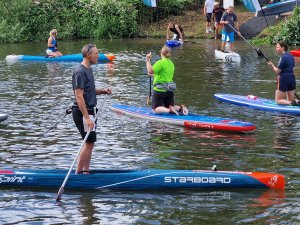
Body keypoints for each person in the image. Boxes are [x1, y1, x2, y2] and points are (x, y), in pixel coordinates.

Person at [72, 44, 112, 174]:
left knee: (91, 142)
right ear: (88, 55)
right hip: (83, 112)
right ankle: (78, 173)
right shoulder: (79, 71)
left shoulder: (88, 69)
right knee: (89, 142)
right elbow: (79, 96)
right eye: (96, 53)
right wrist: (87, 118)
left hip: (90, 111)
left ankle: (86, 171)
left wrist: (102, 91)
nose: (98, 55)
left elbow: (88, 91)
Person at [145, 46, 188, 116]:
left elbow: (150, 70)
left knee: (155, 109)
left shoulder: (160, 62)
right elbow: (164, 76)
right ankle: (180, 108)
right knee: (169, 105)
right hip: (170, 90)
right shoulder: (171, 64)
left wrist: (147, 60)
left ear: (161, 54)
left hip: (160, 90)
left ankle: (169, 110)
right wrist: (153, 75)